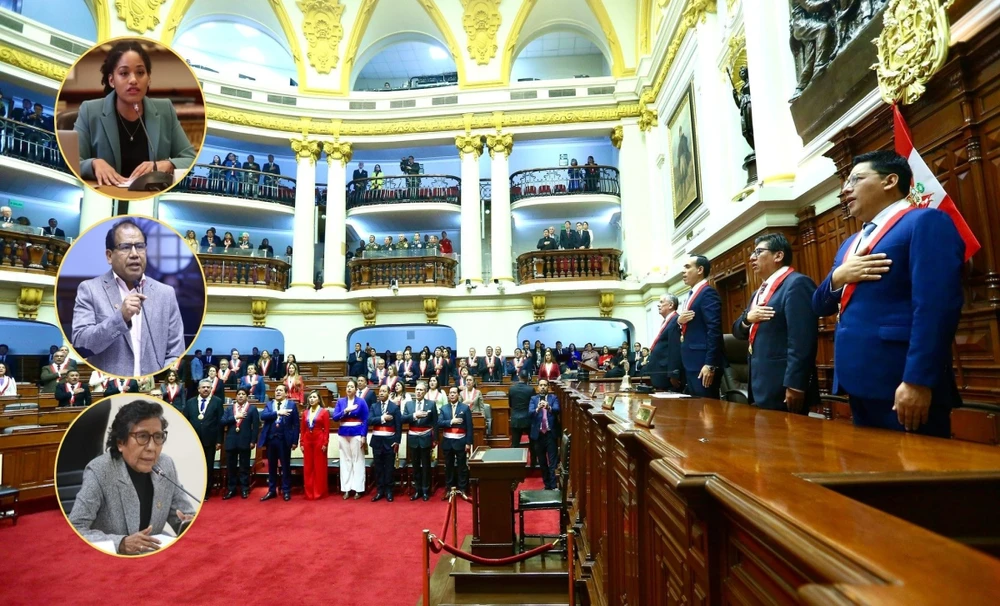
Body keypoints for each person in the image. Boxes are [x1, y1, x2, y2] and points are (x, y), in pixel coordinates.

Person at [812, 150, 965, 436]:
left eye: (856, 179)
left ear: (890, 180)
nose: (845, 189)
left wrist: (918, 380)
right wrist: (837, 277)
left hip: (901, 381)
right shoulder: (851, 243)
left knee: (916, 473)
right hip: (858, 381)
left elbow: (935, 307)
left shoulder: (925, 222)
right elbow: (819, 305)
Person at [68, 400, 195, 555]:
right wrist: (120, 543)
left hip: (153, 558)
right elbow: (76, 528)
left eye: (158, 437)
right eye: (142, 436)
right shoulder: (99, 471)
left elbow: (182, 517)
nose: (152, 447)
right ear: (121, 442)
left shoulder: (166, 465)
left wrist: (187, 523)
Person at [71, 219, 185, 377]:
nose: (134, 254)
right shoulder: (90, 289)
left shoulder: (166, 293)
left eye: (140, 246)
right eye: (125, 247)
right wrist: (121, 318)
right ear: (109, 256)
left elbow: (175, 352)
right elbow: (81, 342)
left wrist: (155, 379)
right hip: (111, 388)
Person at [73, 40, 195, 186]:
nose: (133, 80)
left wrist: (168, 164)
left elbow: (190, 158)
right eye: (124, 73)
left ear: (149, 79)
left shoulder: (165, 110)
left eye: (140, 73)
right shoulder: (89, 110)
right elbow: (73, 161)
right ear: (112, 80)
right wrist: (93, 164)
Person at [732, 233, 819, 412]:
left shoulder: (797, 284)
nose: (751, 258)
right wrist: (747, 319)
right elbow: (737, 331)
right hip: (759, 383)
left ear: (778, 256)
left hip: (784, 385)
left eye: (758, 252)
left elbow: (802, 340)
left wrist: (796, 384)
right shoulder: (758, 293)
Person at [677, 255, 724, 398]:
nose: (683, 272)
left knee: (707, 410)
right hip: (691, 361)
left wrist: (710, 363)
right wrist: (679, 321)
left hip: (703, 363)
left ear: (700, 269)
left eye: (687, 267)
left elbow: (714, 329)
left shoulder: (707, 293)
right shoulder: (691, 294)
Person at [183, 379, 223, 500]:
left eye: (208, 387)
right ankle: (194, 490)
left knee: (207, 466)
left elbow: (220, 423)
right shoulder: (190, 402)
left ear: (211, 389)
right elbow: (185, 421)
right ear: (199, 389)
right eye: (203, 387)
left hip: (210, 440)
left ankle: (206, 492)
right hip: (193, 440)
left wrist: (219, 441)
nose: (206, 389)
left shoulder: (217, 402)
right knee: (194, 466)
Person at [259, 384, 299, 501]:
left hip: (284, 439)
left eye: (281, 390)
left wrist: (294, 441)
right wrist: (277, 413)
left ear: (286, 393)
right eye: (276, 390)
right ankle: (272, 490)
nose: (278, 392)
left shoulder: (291, 405)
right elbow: (263, 416)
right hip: (271, 439)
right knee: (271, 466)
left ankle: (286, 490)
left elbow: (296, 424)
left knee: (285, 466)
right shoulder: (270, 404)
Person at [332, 379, 368, 499]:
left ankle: (358, 489)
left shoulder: (361, 402)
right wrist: (345, 411)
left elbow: (365, 419)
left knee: (358, 461)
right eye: (347, 387)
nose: (349, 389)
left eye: (351, 387)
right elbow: (335, 417)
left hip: (357, 433)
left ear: (356, 389)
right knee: (345, 461)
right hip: (343, 433)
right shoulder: (341, 402)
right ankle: (346, 488)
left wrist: (363, 435)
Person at [221, 386, 259, 499]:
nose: (241, 396)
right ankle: (231, 489)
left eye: (243, 394)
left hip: (245, 441)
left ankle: (244, 489)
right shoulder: (229, 409)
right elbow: (222, 422)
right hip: (231, 441)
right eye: (239, 394)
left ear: (247, 396)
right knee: (231, 467)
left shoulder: (252, 409)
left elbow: (256, 427)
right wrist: (235, 417)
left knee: (244, 467)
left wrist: (253, 441)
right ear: (236, 396)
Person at [403, 381, 437, 501]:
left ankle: (425, 490)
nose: (418, 392)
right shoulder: (409, 404)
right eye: (417, 390)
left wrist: (435, 439)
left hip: (426, 437)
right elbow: (403, 419)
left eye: (421, 390)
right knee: (416, 466)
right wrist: (414, 416)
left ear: (425, 392)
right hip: (413, 438)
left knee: (426, 466)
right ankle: (417, 490)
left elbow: (435, 423)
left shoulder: (431, 404)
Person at [368, 384, 401, 502]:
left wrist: (397, 441)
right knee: (378, 468)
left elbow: (398, 426)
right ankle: (379, 490)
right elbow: (370, 420)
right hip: (377, 442)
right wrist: (382, 418)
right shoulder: (374, 406)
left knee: (389, 468)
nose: (381, 393)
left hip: (390, 442)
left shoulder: (394, 407)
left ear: (388, 393)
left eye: (383, 391)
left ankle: (389, 491)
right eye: (380, 391)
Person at [438, 387, 472, 499]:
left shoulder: (465, 408)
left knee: (462, 466)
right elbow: (439, 423)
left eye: (454, 393)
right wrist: (451, 421)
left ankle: (462, 489)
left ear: (458, 395)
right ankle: (449, 489)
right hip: (447, 442)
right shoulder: (443, 408)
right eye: (450, 393)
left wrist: (468, 443)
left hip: (461, 442)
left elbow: (469, 427)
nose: (452, 395)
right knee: (449, 466)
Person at [647, 294, 684, 392]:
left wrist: (674, 374)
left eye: (662, 302)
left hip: (667, 376)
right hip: (660, 372)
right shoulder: (668, 321)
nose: (658, 305)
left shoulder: (675, 320)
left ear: (671, 305)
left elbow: (675, 348)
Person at [529, 379, 560, 490]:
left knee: (552, 462)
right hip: (538, 435)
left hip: (550, 434)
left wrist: (548, 407)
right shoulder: (533, 399)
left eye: (545, 385)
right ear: (538, 387)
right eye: (541, 385)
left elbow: (557, 409)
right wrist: (538, 409)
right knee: (542, 462)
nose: (543, 387)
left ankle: (553, 486)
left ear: (548, 387)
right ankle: (547, 485)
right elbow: (530, 413)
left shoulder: (553, 398)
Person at [299, 390, 330, 500]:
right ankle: (309, 492)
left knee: (319, 466)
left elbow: (326, 430)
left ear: (318, 399)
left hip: (319, 439)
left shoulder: (324, 412)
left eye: (314, 397)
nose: (311, 399)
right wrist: (301, 442)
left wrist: (325, 443)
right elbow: (302, 430)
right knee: (308, 467)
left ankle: (319, 492)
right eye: (310, 397)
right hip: (307, 439)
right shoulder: (305, 413)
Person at [508, 369, 536, 466]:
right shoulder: (530, 389)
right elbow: (534, 405)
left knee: (515, 444)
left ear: (519, 377)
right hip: (528, 419)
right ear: (527, 378)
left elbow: (510, 404)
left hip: (515, 419)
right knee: (532, 443)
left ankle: (515, 465)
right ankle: (533, 463)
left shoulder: (512, 389)